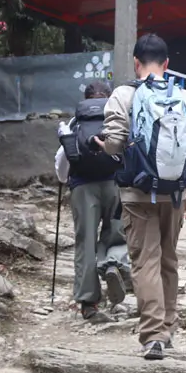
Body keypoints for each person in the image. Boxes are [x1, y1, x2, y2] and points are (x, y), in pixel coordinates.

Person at [95, 34, 186, 360]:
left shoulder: (122, 94)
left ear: (136, 63)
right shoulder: (184, 97)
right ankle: (168, 329)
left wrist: (105, 147)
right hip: (174, 193)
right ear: (167, 64)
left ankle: (153, 335)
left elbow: (115, 143)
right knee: (168, 259)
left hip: (136, 192)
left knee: (146, 263)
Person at [55, 80, 128, 325]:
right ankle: (113, 265)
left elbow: (62, 164)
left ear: (85, 98)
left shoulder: (75, 123)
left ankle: (88, 302)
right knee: (117, 234)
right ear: (109, 96)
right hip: (115, 184)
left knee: (85, 241)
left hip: (83, 188)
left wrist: (66, 179)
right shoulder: (117, 117)